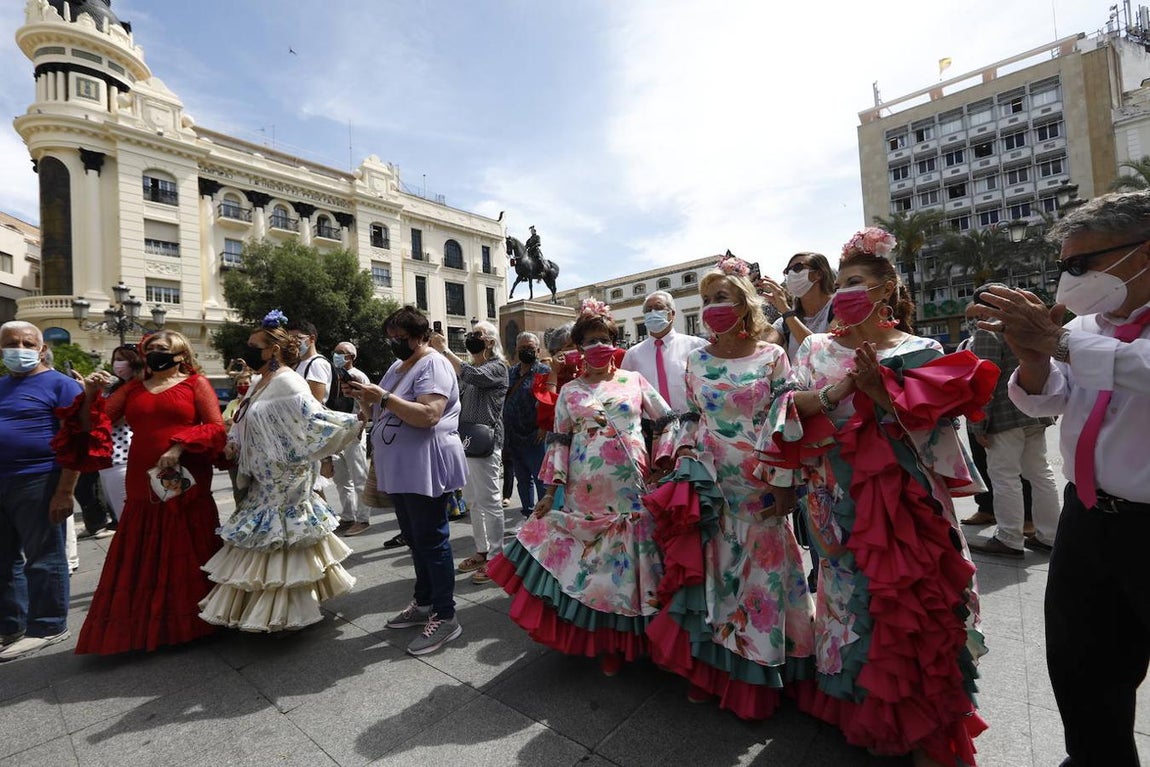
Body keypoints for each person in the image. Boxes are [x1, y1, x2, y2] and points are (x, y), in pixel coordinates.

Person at [758, 227, 995, 766]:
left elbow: (937, 434)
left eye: (857, 281)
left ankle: (927, 726)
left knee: (915, 607)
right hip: (833, 498)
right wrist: (837, 392)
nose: (845, 292)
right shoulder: (816, 348)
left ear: (887, 288)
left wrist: (881, 398)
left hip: (907, 504)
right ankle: (863, 712)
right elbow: (784, 410)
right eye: (840, 283)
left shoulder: (923, 350)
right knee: (848, 603)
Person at [971, 191, 1150, 767]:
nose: (1070, 280)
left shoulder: (1081, 333)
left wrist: (1063, 343)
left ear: (1143, 254)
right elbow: (1053, 400)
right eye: (1064, 266)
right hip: (1090, 521)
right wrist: (1035, 359)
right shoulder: (1089, 324)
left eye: (1082, 264)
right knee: (1084, 672)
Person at [644, 255, 813, 720]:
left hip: (761, 484)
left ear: (744, 304)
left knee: (760, 581)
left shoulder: (773, 356)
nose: (714, 306)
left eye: (723, 298)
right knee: (719, 577)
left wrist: (784, 483)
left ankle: (761, 671)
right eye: (707, 300)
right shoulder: (696, 361)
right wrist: (679, 465)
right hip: (712, 486)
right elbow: (693, 420)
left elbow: (785, 421)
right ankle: (717, 668)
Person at [487, 299, 678, 676]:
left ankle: (635, 642)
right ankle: (605, 643)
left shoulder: (634, 381)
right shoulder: (570, 392)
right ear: (578, 347)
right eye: (589, 340)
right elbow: (558, 442)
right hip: (582, 492)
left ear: (614, 339)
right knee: (596, 571)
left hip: (631, 487)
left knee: (628, 568)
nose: (597, 346)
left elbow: (669, 420)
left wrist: (662, 462)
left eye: (604, 338)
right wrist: (547, 493)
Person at [199, 311, 361, 633]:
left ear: (273, 350)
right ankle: (266, 608)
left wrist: (352, 425)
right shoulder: (261, 380)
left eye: (257, 348)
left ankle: (286, 612)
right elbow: (245, 419)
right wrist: (233, 441)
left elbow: (312, 418)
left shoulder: (288, 379)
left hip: (286, 474)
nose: (251, 354)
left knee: (283, 537)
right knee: (267, 539)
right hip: (263, 473)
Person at [75, 330, 226, 655]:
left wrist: (179, 445)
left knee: (187, 542)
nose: (154, 352)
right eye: (150, 348)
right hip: (142, 480)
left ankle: (201, 620)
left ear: (181, 354)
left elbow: (215, 426)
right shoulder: (132, 388)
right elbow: (94, 425)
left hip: (183, 475)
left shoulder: (195, 384)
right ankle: (149, 626)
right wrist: (90, 394)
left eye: (162, 348)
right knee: (145, 548)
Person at [347, 306, 467, 656]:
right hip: (402, 466)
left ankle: (446, 616)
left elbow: (429, 414)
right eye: (392, 338)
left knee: (432, 539)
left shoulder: (434, 364)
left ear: (421, 336)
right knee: (415, 539)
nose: (395, 344)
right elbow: (383, 411)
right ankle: (425, 601)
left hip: (425, 463)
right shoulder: (398, 366)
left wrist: (382, 397)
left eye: (401, 338)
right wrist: (365, 399)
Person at [0, 321, 106, 662]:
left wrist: (64, 492)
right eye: (10, 343)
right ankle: (11, 625)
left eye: (27, 343)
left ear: (42, 348)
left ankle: (47, 625)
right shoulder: (2, 386)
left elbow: (77, 442)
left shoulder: (61, 386)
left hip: (39, 480)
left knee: (44, 557)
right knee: (4, 560)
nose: (19, 348)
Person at [964, 284, 1060, 558]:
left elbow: (986, 381)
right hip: (1034, 411)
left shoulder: (988, 330)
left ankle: (1009, 538)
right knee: (1040, 474)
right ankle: (1050, 536)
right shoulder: (1026, 326)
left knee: (1004, 476)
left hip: (1004, 416)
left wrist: (978, 423)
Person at [431, 322, 509, 585]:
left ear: (489, 341)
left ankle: (497, 556)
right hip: (466, 441)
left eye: (477, 335)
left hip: (486, 442)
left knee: (490, 501)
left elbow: (475, 377)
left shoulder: (497, 367)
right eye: (471, 334)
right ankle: (482, 550)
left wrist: (445, 351)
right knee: (473, 500)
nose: (471, 338)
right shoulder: (469, 369)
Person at [621, 290, 707, 413]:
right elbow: (626, 392)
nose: (653, 313)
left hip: (691, 422)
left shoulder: (696, 346)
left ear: (672, 313)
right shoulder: (632, 355)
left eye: (658, 308)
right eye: (648, 310)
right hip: (651, 426)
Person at [502, 332, 551, 517]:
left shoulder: (544, 372)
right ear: (516, 349)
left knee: (540, 480)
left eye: (530, 348)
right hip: (513, 437)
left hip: (535, 437)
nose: (526, 351)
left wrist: (544, 427)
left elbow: (548, 402)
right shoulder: (510, 373)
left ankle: (544, 518)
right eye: (522, 348)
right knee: (522, 480)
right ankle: (528, 515)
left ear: (538, 350)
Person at [761, 252, 837, 361]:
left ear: (819, 273)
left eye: (798, 267)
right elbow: (763, 346)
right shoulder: (784, 322)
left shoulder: (839, 308)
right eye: (788, 271)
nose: (791, 274)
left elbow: (821, 353)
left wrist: (786, 311)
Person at [329, 341, 372, 536]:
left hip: (354, 432)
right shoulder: (332, 375)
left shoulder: (358, 376)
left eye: (342, 352)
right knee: (341, 479)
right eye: (336, 351)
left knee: (359, 478)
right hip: (337, 433)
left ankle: (363, 519)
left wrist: (360, 429)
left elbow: (366, 406)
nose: (337, 355)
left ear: (351, 357)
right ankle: (347, 517)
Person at [288, 319, 332, 403]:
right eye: (290, 339)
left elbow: (315, 403)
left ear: (312, 338)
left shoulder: (317, 364)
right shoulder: (298, 363)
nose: (293, 343)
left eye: (298, 338)